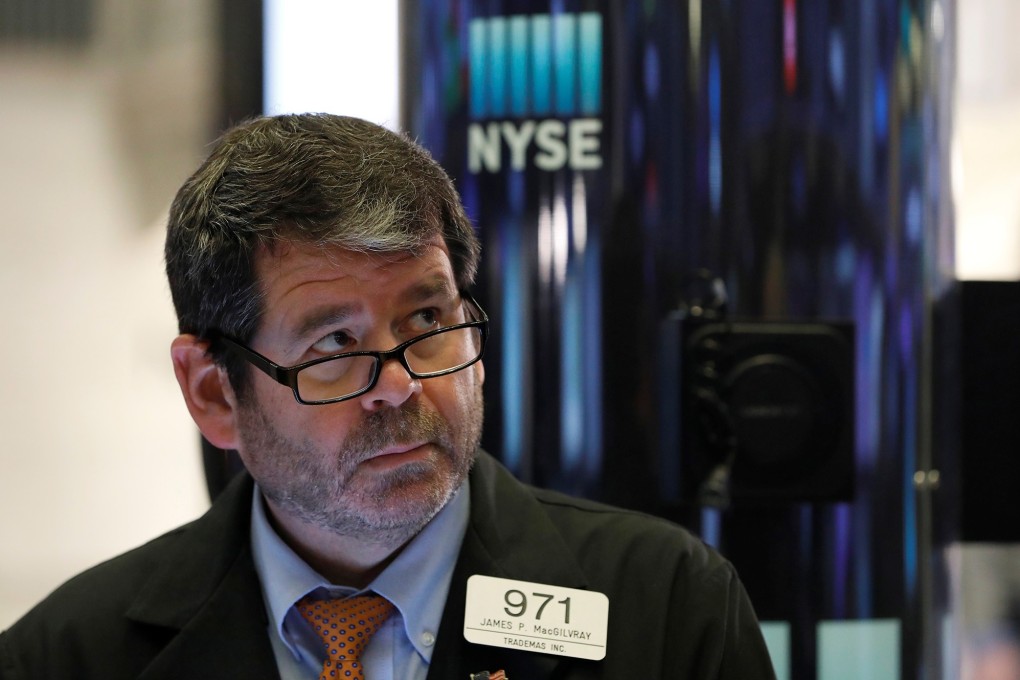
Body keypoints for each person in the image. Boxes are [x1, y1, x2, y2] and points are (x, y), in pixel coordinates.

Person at [0, 113, 776, 679]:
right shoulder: (67, 655)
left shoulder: (671, 611)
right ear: (213, 392)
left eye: (428, 319)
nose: (400, 384)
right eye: (333, 344)